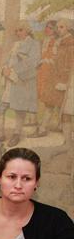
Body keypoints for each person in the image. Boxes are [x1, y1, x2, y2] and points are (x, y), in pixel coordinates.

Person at [0, 20, 40, 147]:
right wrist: (4, 69)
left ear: (27, 30)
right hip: (9, 82)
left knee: (19, 109)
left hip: (22, 81)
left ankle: (17, 134)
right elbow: (7, 60)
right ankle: (0, 134)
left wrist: (13, 71)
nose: (18, 33)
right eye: (16, 31)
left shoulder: (34, 44)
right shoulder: (15, 44)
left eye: (20, 30)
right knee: (0, 107)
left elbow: (33, 63)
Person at [28, 20, 61, 138]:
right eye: (46, 27)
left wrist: (46, 61)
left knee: (50, 100)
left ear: (55, 30)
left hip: (52, 73)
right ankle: (38, 123)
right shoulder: (43, 41)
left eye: (50, 28)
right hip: (42, 72)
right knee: (43, 98)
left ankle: (43, 128)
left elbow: (56, 59)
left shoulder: (57, 42)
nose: (47, 29)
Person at [55, 19, 74, 147]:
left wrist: (65, 79)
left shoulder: (70, 42)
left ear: (68, 28)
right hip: (64, 78)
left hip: (70, 79)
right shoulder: (61, 42)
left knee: (68, 110)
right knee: (65, 112)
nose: (59, 30)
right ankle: (67, 141)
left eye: (61, 27)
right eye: (58, 27)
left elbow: (69, 63)